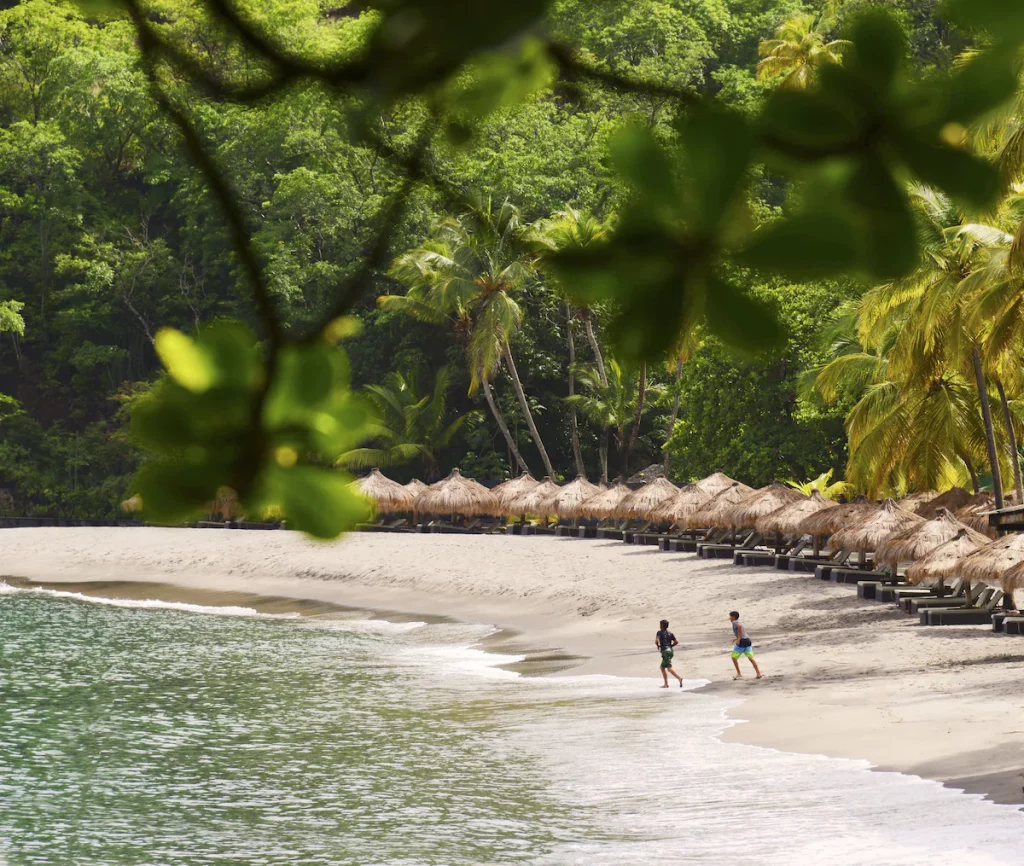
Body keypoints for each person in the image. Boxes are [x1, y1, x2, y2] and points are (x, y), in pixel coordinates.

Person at [729, 611, 762, 680]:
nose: (729, 618)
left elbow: (739, 627)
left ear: (733, 617)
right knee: (750, 658)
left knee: (733, 657)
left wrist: (739, 639)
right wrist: (736, 638)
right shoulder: (739, 622)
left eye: (730, 617)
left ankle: (739, 673)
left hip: (742, 642)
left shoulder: (735, 622)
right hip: (747, 641)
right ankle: (758, 673)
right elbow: (743, 633)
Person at [655, 619, 684, 688]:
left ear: (661, 626)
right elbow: (676, 642)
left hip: (665, 652)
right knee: (662, 668)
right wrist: (670, 646)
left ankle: (679, 678)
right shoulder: (670, 633)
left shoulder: (659, 632)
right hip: (670, 651)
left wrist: (658, 645)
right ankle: (666, 684)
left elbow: (657, 640)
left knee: (668, 668)